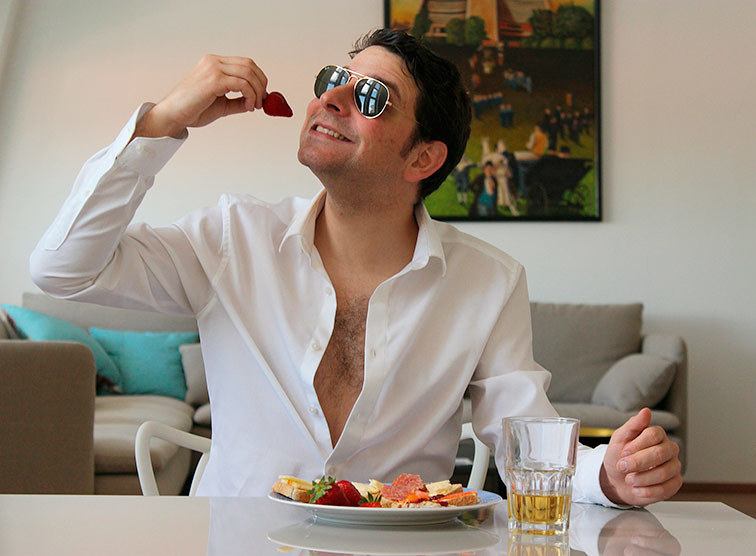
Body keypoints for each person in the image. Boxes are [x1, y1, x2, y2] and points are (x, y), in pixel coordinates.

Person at [29, 29, 681, 505]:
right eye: (331, 80)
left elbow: (522, 437)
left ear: (423, 159)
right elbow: (62, 270)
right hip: (238, 543)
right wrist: (162, 120)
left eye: (370, 95)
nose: (331, 98)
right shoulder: (231, 237)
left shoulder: (488, 281)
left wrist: (607, 476)